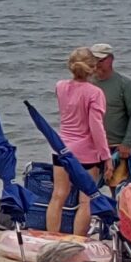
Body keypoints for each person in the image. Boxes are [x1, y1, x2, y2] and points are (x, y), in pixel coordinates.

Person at [51, 47, 111, 237]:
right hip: (85, 152)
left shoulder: (60, 86)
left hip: (61, 147)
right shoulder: (95, 93)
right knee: (86, 200)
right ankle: (78, 240)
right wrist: (106, 156)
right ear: (93, 68)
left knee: (58, 195)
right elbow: (96, 127)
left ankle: (52, 238)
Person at [92, 44, 131, 186]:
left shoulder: (126, 85)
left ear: (111, 59)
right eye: (94, 59)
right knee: (86, 191)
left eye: (101, 60)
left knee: (120, 191)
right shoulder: (87, 84)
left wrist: (127, 143)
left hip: (117, 147)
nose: (97, 63)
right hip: (90, 146)